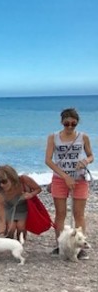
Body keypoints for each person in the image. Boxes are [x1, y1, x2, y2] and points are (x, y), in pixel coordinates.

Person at [44, 108, 93, 257]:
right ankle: (61, 245)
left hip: (80, 178)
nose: (70, 127)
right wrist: (65, 176)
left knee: (79, 214)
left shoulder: (83, 137)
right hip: (60, 178)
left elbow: (91, 156)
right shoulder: (53, 137)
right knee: (61, 214)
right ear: (62, 122)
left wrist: (85, 160)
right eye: (67, 124)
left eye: (73, 124)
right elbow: (48, 160)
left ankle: (79, 247)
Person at [0, 165, 42, 242]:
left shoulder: (23, 180)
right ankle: (8, 242)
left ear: (12, 178)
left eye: (4, 182)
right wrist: (0, 235)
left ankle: (20, 243)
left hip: (23, 208)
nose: (1, 185)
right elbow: (1, 218)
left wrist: (31, 194)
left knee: (21, 227)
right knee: (11, 229)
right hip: (9, 209)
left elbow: (38, 189)